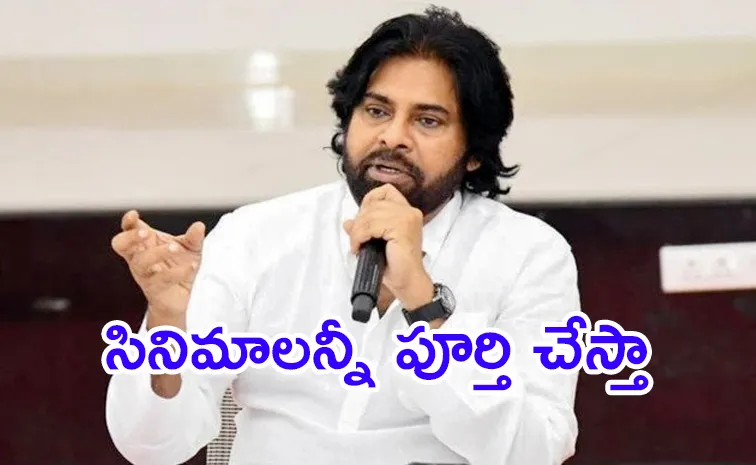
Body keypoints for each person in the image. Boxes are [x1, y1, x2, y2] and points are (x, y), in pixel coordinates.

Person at [105, 6, 582, 465]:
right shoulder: (256, 236)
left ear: (474, 150)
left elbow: (536, 449)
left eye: (427, 120)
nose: (393, 137)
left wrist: (424, 303)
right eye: (376, 111)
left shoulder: (529, 256)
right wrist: (167, 325)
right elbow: (152, 448)